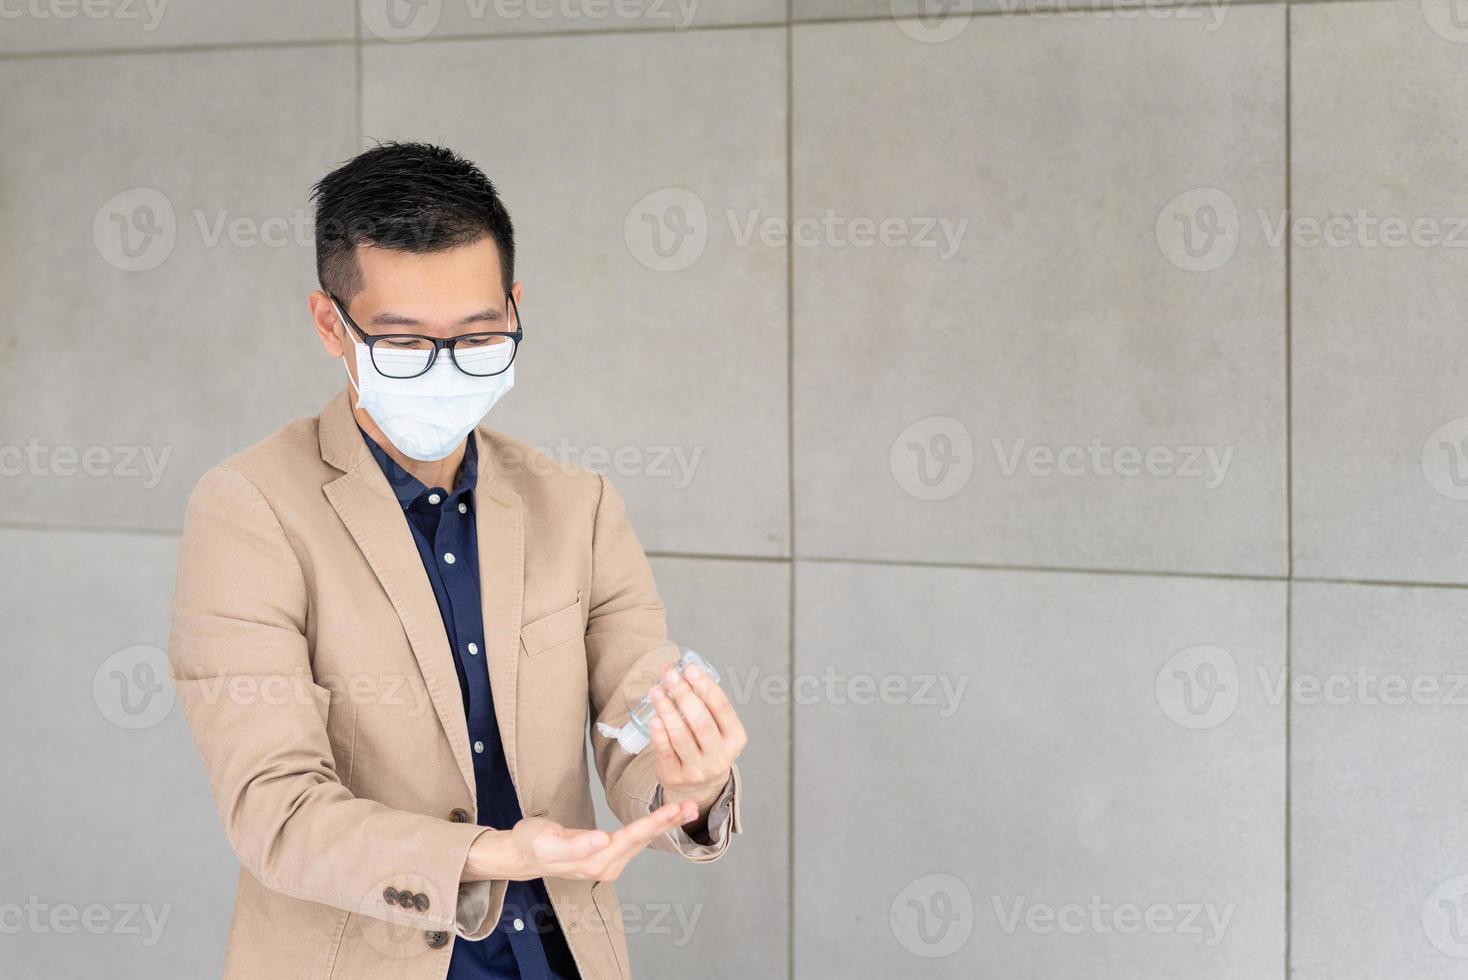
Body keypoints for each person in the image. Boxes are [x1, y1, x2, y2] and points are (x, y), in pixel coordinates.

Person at [167, 141, 746, 980]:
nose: (444, 371)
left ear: (513, 308)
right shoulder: (251, 510)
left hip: (561, 958)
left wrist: (688, 780)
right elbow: (277, 813)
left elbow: (638, 704)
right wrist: (487, 854)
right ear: (332, 325)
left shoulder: (575, 504)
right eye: (403, 344)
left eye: (477, 337)